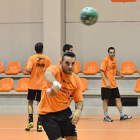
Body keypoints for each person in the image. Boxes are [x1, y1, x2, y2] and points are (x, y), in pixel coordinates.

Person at [38, 52, 83, 140]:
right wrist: (55, 83)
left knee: (73, 138)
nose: (70, 66)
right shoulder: (55, 69)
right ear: (61, 63)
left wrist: (78, 110)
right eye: (67, 63)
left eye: (73, 63)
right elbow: (48, 74)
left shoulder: (76, 80)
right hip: (47, 114)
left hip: (64, 112)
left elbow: (79, 101)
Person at [25, 42, 52, 131]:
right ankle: (39, 124)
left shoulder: (31, 58)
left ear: (35, 49)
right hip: (42, 86)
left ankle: (30, 122)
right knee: (40, 104)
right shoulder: (47, 59)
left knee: (30, 103)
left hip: (32, 84)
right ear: (42, 49)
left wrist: (31, 70)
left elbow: (28, 69)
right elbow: (51, 70)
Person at [100, 47, 132, 122]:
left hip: (114, 84)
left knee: (118, 99)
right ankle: (106, 116)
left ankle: (122, 115)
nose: (112, 54)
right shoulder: (105, 60)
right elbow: (101, 72)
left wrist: (120, 75)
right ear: (108, 53)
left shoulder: (115, 60)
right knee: (105, 100)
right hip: (106, 84)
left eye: (113, 52)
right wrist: (107, 82)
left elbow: (115, 72)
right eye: (110, 52)